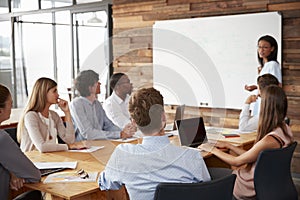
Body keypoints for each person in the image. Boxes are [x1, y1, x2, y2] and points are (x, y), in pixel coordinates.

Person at [99, 87, 211, 199]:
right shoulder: (192, 156)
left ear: (134, 123)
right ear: (163, 117)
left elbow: (106, 183)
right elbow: (207, 186)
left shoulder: (123, 155)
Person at [200, 85, 293, 200]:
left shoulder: (270, 140)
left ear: (266, 107)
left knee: (204, 174)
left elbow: (236, 161)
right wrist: (229, 146)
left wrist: (211, 148)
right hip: (266, 182)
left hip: (246, 186)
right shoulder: (285, 130)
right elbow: (252, 155)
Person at [18, 77, 85, 152]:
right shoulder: (31, 116)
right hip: (30, 161)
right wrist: (68, 146)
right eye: (54, 91)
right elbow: (42, 147)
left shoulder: (54, 115)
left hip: (48, 159)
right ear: (43, 93)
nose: (58, 95)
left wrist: (67, 112)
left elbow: (70, 140)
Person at [0, 84, 42, 200]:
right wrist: (13, 173)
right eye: (11, 104)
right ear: (0, 110)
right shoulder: (2, 138)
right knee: (36, 196)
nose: (12, 108)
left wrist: (11, 172)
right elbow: (34, 175)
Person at [70, 70, 135, 141]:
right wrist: (119, 134)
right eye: (97, 82)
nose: (100, 84)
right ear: (90, 87)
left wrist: (124, 132)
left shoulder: (97, 104)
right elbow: (88, 133)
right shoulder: (76, 104)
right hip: (83, 147)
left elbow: (109, 125)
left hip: (99, 143)